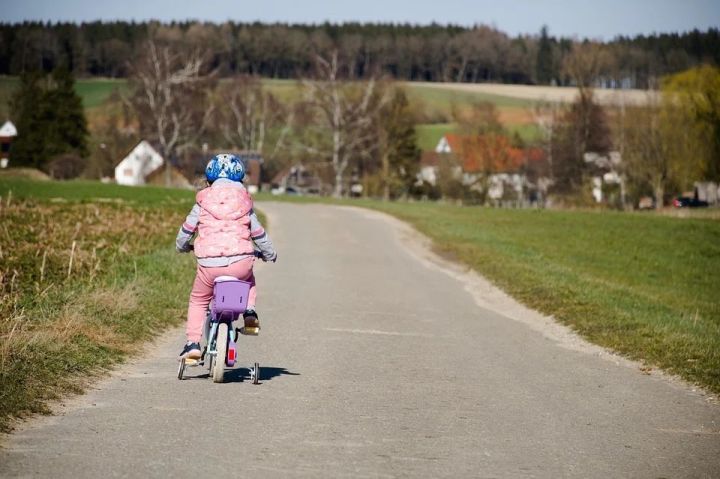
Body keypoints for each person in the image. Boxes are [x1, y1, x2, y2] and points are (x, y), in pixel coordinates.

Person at [176, 154, 277, 360]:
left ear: (209, 180)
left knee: (199, 300)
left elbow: (186, 231)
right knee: (248, 280)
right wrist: (269, 253)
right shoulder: (244, 204)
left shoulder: (202, 203)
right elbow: (258, 234)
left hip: (209, 265)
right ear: (241, 180)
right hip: (240, 261)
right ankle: (249, 312)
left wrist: (183, 246)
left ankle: (193, 344)